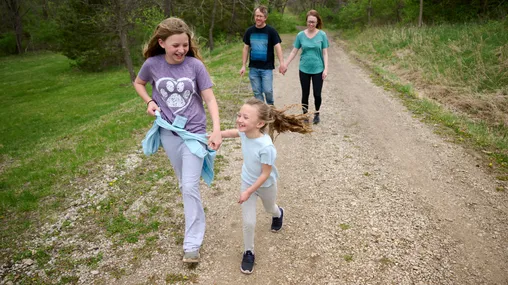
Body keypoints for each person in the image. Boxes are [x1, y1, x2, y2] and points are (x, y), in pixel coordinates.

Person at [133, 17, 222, 264]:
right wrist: (149, 101)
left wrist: (215, 129)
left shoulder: (195, 66)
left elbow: (210, 100)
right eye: (175, 45)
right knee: (184, 183)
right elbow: (139, 83)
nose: (181, 50)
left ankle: (192, 243)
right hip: (168, 134)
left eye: (185, 44)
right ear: (161, 43)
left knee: (190, 186)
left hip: (193, 134)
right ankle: (195, 216)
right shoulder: (151, 65)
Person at [221, 98, 312, 274]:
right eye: (239, 115)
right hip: (247, 181)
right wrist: (215, 134)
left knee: (270, 208)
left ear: (260, 123)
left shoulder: (266, 147)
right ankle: (249, 252)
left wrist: (248, 191)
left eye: (246, 117)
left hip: (265, 185)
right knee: (249, 221)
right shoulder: (244, 132)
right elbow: (232, 133)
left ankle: (279, 214)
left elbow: (265, 174)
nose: (240, 120)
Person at [280, 10, 329, 124]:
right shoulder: (300, 35)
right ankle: (305, 114)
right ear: (306, 21)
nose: (311, 24)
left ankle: (317, 113)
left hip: (318, 68)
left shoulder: (322, 35)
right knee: (305, 93)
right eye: (309, 22)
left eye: (313, 22)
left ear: (317, 22)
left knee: (317, 94)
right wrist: (285, 64)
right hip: (304, 69)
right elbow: (293, 52)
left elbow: (325, 53)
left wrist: (326, 69)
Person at [240, 5, 284, 106]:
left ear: (265, 17)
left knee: (268, 91)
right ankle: (262, 113)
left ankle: (271, 107)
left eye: (260, 16)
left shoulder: (271, 31)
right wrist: (243, 65)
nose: (258, 18)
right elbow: (246, 48)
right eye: (256, 16)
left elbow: (278, 47)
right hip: (253, 68)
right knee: (257, 92)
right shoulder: (249, 31)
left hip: (267, 68)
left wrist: (282, 63)